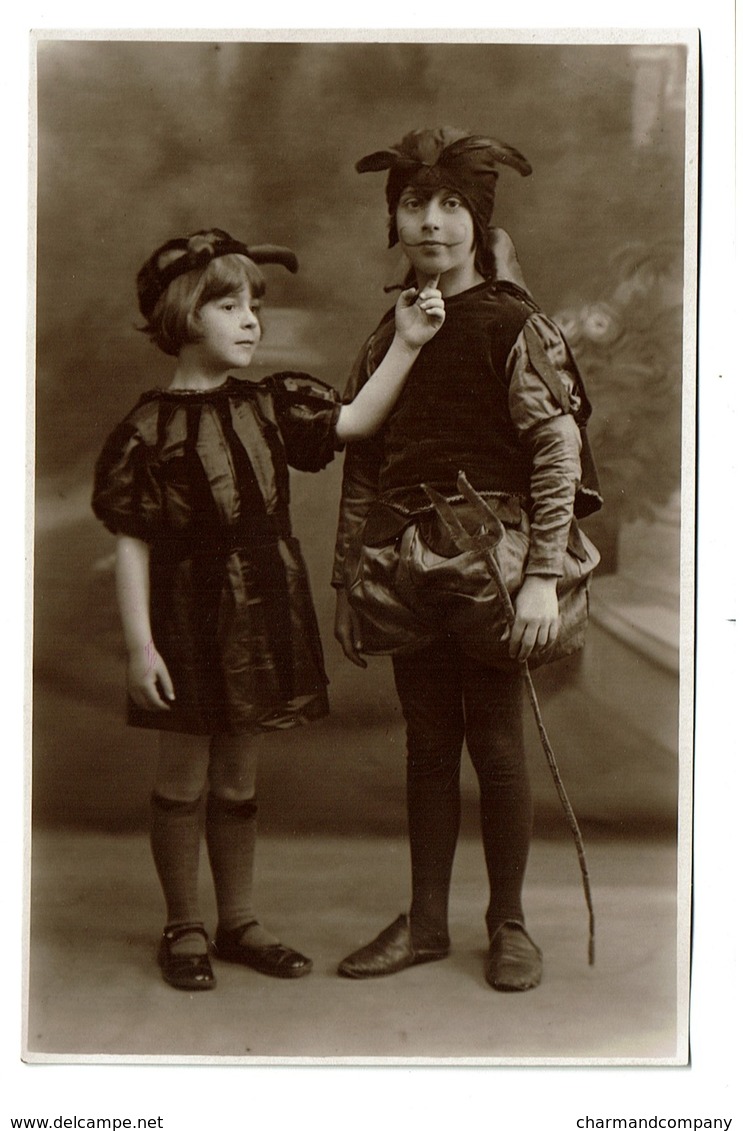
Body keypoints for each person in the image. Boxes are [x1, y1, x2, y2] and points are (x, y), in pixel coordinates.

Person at [92, 226, 444, 991]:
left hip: (261, 615)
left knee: (239, 779)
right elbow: (132, 542)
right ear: (184, 315)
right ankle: (183, 922)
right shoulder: (148, 430)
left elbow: (352, 422)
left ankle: (239, 920)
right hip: (186, 619)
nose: (251, 318)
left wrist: (409, 343)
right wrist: (139, 646)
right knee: (184, 776)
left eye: (255, 302)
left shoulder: (270, 403)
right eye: (229, 303)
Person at [332, 128, 602, 992]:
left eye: (451, 205)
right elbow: (363, 463)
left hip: (496, 565)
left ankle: (509, 923)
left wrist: (539, 581)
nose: (431, 223)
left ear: (478, 221)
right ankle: (422, 924)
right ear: (395, 216)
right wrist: (352, 581)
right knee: (424, 743)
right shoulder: (392, 332)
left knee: (493, 739)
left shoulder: (515, 326)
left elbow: (557, 454)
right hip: (407, 566)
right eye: (415, 204)